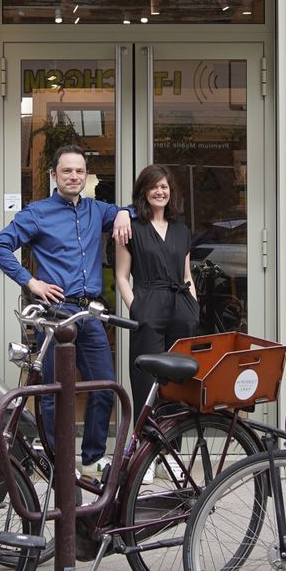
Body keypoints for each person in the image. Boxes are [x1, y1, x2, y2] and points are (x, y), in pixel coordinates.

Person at [0, 144, 132, 478]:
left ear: (86, 175)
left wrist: (123, 212)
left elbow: (131, 213)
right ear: (54, 175)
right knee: (52, 391)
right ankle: (56, 462)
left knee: (105, 386)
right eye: (67, 171)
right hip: (54, 315)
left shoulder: (98, 211)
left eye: (79, 171)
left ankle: (94, 457)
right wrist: (31, 282)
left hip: (89, 315)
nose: (74, 176)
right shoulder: (37, 213)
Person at [115, 164, 200, 423]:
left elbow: (186, 275)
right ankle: (146, 452)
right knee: (146, 380)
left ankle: (171, 447)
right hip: (148, 304)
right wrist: (137, 308)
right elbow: (121, 275)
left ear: (171, 191)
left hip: (181, 306)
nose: (159, 192)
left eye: (164, 186)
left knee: (179, 381)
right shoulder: (131, 227)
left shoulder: (181, 230)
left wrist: (193, 307)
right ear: (144, 191)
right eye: (153, 186)